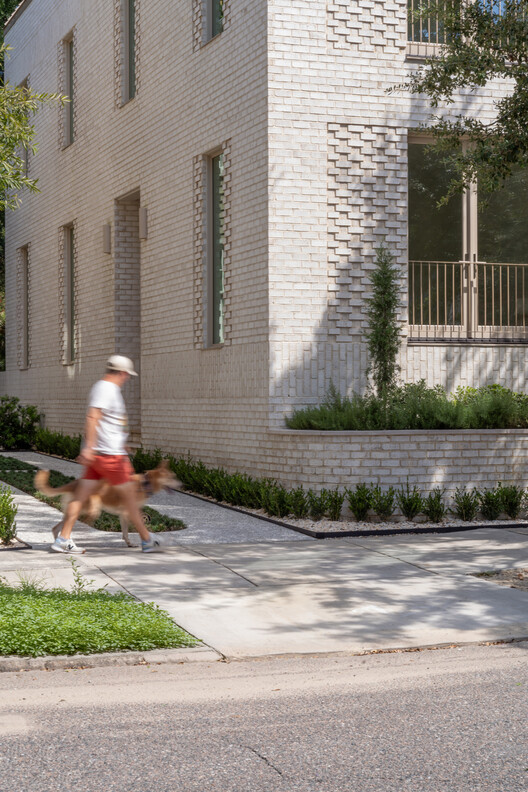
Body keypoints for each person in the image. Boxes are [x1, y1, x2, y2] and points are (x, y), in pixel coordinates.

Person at [51, 354, 162, 554]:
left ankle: (63, 538)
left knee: (80, 496)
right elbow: (93, 417)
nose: (127, 378)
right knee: (131, 498)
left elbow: (105, 422)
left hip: (103, 454)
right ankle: (147, 540)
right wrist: (90, 447)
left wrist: (119, 442)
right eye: (127, 374)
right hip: (110, 457)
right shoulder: (106, 389)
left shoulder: (105, 388)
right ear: (121, 373)